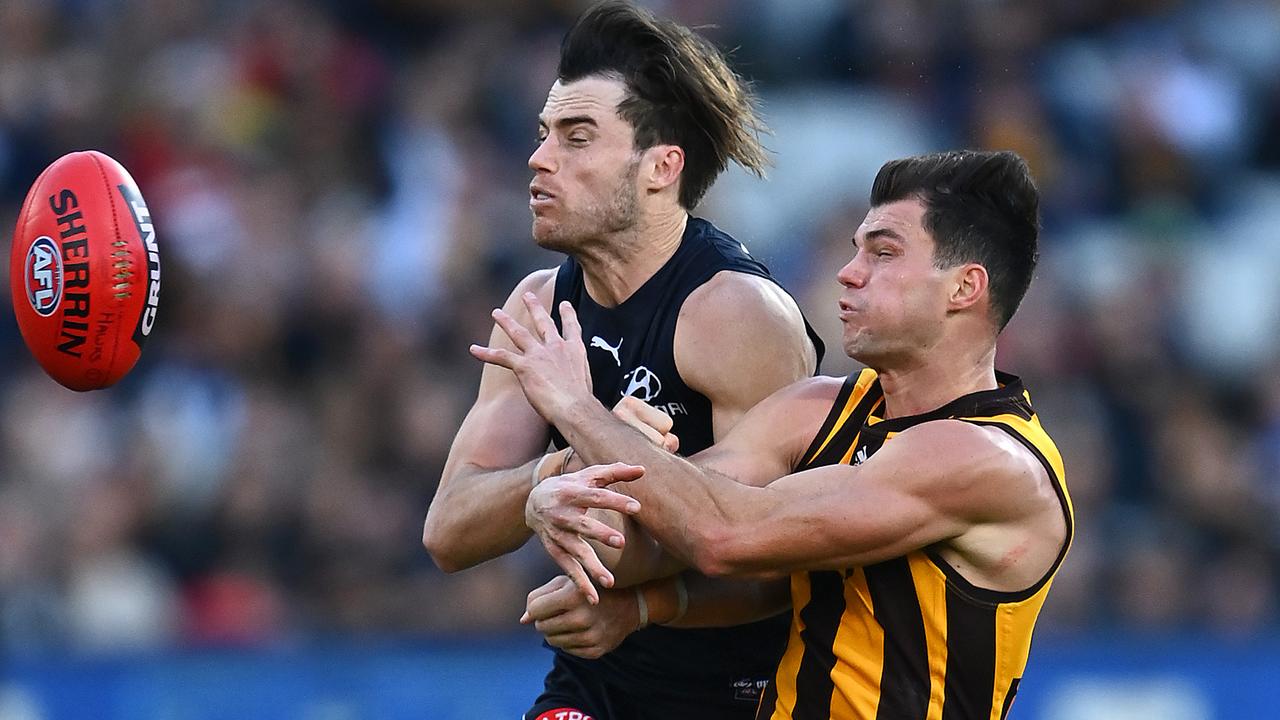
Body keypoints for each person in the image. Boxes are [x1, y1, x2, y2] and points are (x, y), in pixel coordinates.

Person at [475, 150, 1073, 719]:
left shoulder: (986, 458)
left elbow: (723, 535)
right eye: (855, 250)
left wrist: (580, 411)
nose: (848, 273)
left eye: (883, 254)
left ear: (964, 288)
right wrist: (572, 502)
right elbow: (657, 532)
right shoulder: (815, 410)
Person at [422, 2, 824, 718]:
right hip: (591, 681)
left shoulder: (735, 315)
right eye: (544, 134)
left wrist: (643, 608)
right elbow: (449, 530)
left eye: (578, 138)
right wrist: (559, 475)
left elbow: (788, 566)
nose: (539, 159)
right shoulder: (542, 305)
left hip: (732, 694)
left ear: (661, 167)